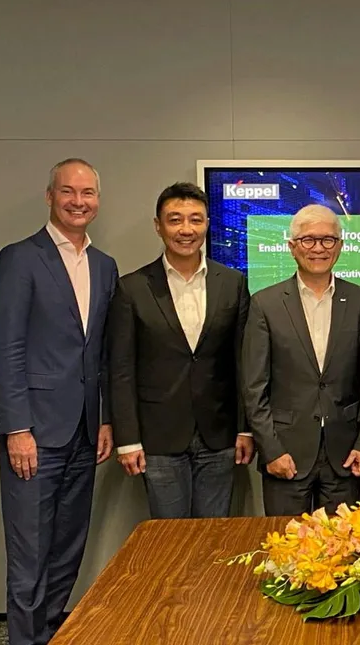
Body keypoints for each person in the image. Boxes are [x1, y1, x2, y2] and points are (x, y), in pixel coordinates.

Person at [0, 158, 117, 645]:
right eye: (68, 191)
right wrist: (17, 427)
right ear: (49, 197)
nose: (78, 201)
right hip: (34, 434)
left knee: (67, 548)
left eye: (87, 193)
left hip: (84, 431)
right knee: (29, 555)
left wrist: (103, 420)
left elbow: (100, 352)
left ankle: (50, 636)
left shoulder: (104, 267)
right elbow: (6, 348)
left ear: (98, 201)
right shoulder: (19, 258)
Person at [107, 182, 254, 518]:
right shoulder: (132, 288)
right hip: (158, 438)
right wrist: (128, 439)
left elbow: (242, 362)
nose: (186, 229)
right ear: (158, 226)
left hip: (220, 435)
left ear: (207, 224)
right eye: (175, 220)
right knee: (169, 542)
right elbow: (121, 368)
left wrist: (245, 428)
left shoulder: (233, 283)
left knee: (213, 540)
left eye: (195, 220)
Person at [241, 204, 360, 516]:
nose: (318, 248)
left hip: (345, 453)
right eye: (308, 240)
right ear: (293, 247)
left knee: (343, 555)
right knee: (286, 554)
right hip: (286, 453)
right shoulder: (265, 304)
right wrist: (271, 449)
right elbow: (254, 388)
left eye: (328, 240)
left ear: (340, 247)